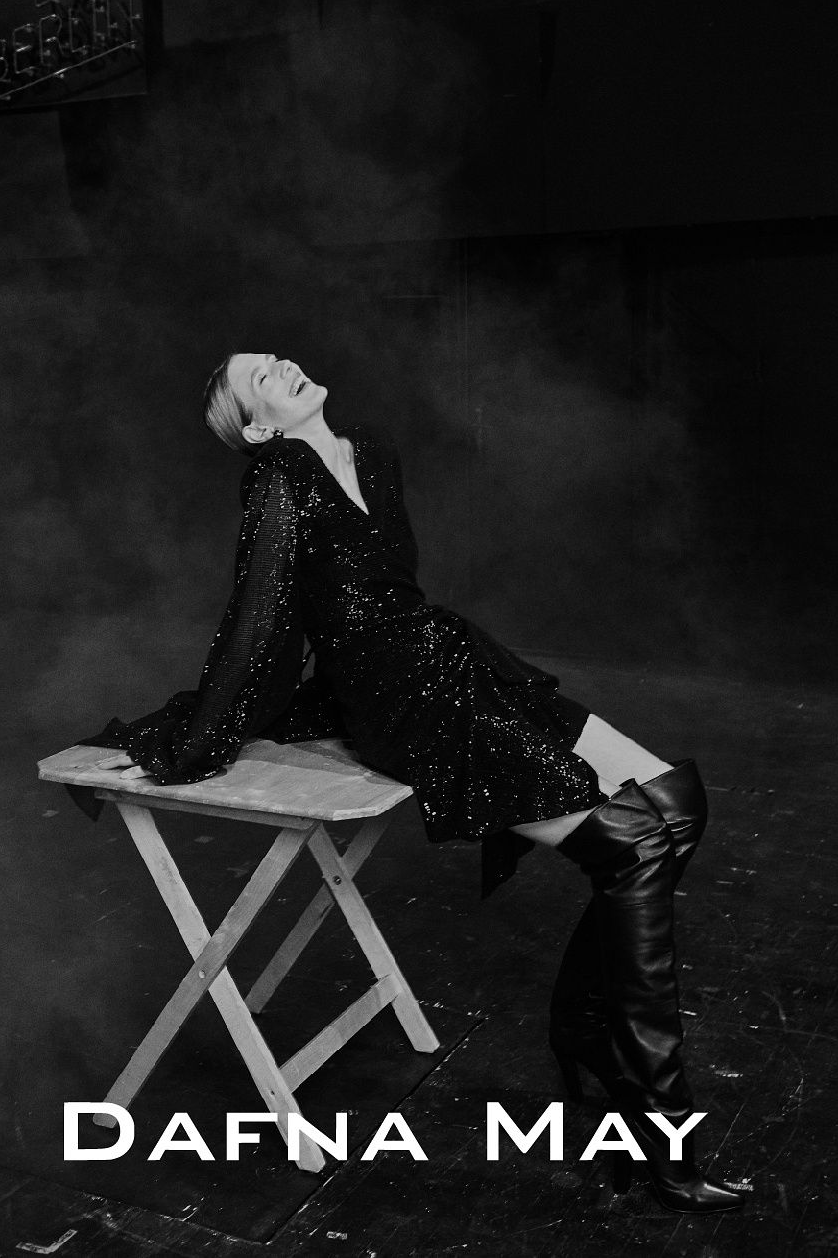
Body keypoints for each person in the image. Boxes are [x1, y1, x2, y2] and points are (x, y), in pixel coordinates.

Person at [88, 351, 745, 1215]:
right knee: (634, 848)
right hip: (402, 702)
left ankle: (584, 1034)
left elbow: (391, 589)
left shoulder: (371, 451)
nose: (282, 365)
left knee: (677, 803)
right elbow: (258, 617)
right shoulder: (279, 476)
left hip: (455, 659)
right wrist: (196, 739)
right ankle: (661, 1132)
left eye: (275, 358)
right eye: (261, 378)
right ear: (258, 427)